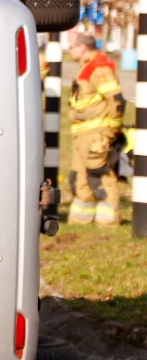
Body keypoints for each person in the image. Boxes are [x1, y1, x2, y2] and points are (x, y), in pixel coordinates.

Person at [66, 32, 123, 226]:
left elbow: (116, 100)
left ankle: (108, 221)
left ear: (83, 48)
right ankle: (82, 220)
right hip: (82, 134)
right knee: (79, 178)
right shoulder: (86, 67)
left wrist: (110, 131)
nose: (69, 49)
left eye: (72, 46)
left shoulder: (99, 69)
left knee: (100, 177)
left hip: (96, 134)